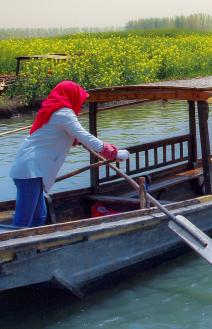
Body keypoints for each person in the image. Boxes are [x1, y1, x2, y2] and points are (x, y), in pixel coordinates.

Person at [9, 81, 128, 228]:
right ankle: (13, 249)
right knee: (23, 221)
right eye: (80, 99)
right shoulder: (64, 113)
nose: (81, 103)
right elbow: (85, 137)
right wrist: (113, 152)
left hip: (31, 170)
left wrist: (76, 141)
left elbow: (60, 136)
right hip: (30, 171)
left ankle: (34, 248)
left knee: (39, 218)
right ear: (72, 96)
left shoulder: (54, 111)